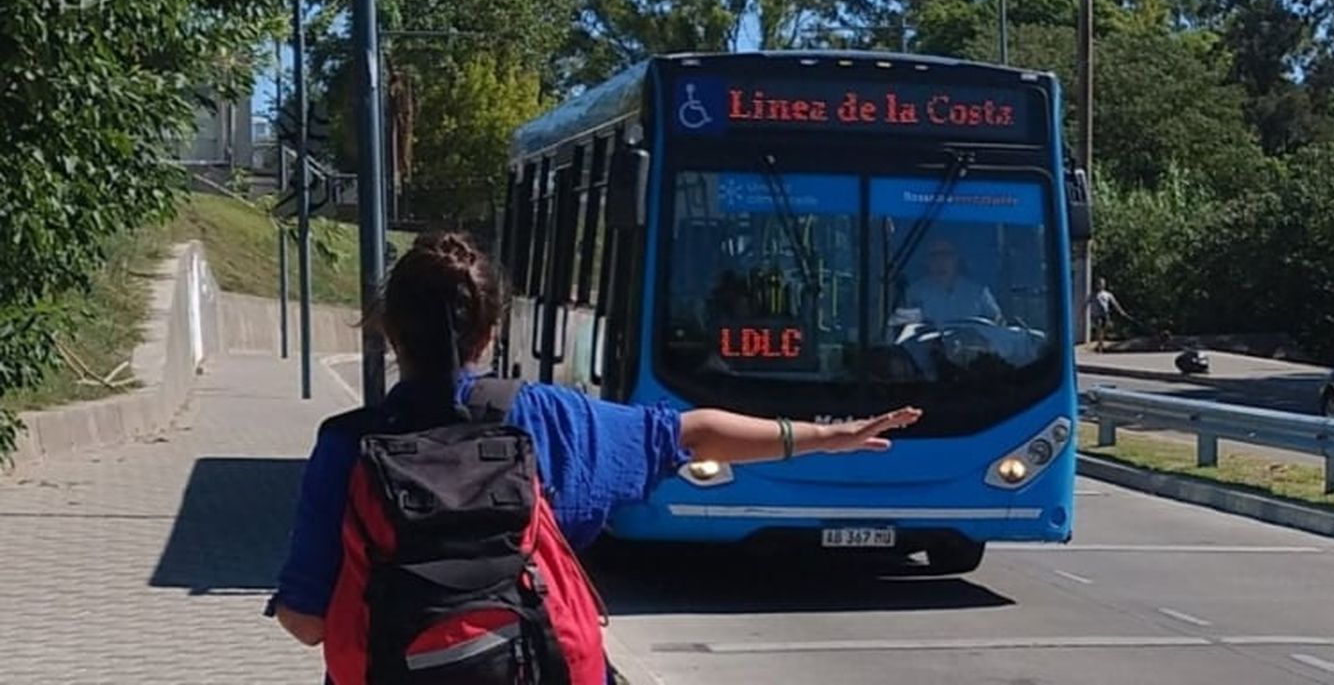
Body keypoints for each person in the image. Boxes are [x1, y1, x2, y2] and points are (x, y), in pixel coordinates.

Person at [269, 231, 920, 681]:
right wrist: (828, 433)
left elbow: (306, 621)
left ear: (387, 325)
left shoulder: (347, 444)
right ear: (493, 329)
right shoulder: (549, 417)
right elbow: (692, 432)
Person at [903, 236, 1002, 325]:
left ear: (957, 258)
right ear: (925, 260)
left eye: (946, 254)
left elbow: (997, 326)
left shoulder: (979, 293)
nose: (940, 261)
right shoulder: (914, 294)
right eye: (934, 255)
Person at [1087, 276, 1129, 352]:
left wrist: (1121, 311)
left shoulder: (1107, 294)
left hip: (1105, 314)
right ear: (1096, 285)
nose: (1101, 285)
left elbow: (1115, 303)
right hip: (1096, 315)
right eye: (1099, 283)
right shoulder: (1092, 295)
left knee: (1104, 329)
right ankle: (1100, 345)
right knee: (1099, 328)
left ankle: (1101, 342)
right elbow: (1086, 304)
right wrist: (1081, 314)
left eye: (1102, 283)